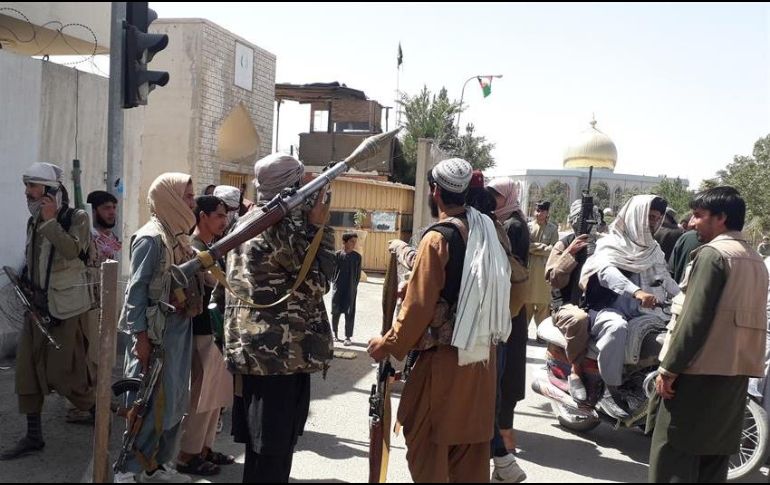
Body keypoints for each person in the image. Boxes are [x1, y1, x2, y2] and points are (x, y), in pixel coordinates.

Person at [368, 158, 512, 483]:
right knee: (470, 457)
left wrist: (388, 344)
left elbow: (418, 307)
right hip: (482, 365)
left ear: (435, 191)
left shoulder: (438, 239)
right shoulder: (491, 230)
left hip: (444, 367)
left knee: (428, 450)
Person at [225, 153, 335, 483]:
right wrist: (319, 226)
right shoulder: (281, 227)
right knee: (273, 450)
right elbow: (320, 281)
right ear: (291, 185)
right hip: (279, 353)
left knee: (262, 450)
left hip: (256, 349)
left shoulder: (248, 219)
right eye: (302, 181)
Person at [649, 187, 769, 483]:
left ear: (721, 218)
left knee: (673, 456)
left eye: (699, 216)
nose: (691, 222)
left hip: (696, 375)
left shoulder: (713, 256)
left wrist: (670, 368)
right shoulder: (755, 260)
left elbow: (695, 319)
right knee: (713, 461)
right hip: (736, 377)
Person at [0, 163, 96, 460]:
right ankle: (33, 436)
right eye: (27, 186)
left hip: (66, 308)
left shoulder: (76, 218)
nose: (28, 193)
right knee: (27, 371)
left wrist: (51, 221)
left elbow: (72, 251)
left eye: (34, 187)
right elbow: (35, 259)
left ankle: (97, 408)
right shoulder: (34, 221)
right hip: (36, 306)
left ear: (51, 192)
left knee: (63, 373)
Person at [117, 173, 199, 483]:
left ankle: (156, 467)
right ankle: (128, 468)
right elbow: (135, 294)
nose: (191, 203)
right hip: (154, 336)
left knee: (174, 403)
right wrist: (139, 340)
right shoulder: (151, 238)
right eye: (187, 197)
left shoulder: (177, 236)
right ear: (170, 199)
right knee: (146, 403)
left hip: (177, 336)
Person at [579, 195, 680, 391]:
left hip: (646, 313)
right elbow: (607, 273)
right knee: (616, 329)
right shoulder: (611, 243)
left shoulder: (653, 250)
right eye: (650, 217)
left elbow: (666, 279)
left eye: (658, 218)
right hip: (606, 309)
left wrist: (684, 298)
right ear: (636, 216)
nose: (654, 223)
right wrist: (637, 293)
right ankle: (610, 388)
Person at [175, 196, 234, 477]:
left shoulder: (209, 246)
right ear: (203, 217)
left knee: (215, 396)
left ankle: (204, 449)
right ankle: (188, 455)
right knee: (202, 397)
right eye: (219, 215)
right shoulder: (195, 248)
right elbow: (212, 283)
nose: (224, 221)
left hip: (214, 330)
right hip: (200, 329)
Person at [487, 177, 530, 457]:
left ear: (508, 196)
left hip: (510, 306)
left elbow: (506, 266)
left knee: (506, 370)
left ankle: (504, 443)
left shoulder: (512, 225)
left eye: (496, 195)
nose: (492, 200)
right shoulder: (511, 220)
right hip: (512, 305)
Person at [545, 199, 599, 402]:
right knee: (579, 319)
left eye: (594, 219)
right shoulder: (565, 243)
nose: (589, 224)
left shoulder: (603, 244)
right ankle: (576, 372)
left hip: (597, 303)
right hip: (566, 305)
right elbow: (554, 278)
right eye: (583, 219)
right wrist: (571, 253)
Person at [526, 200, 559, 333]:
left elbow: (554, 249)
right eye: (537, 210)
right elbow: (526, 246)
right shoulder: (528, 227)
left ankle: (542, 334)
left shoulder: (553, 229)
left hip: (544, 273)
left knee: (543, 305)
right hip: (529, 270)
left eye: (541, 211)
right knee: (527, 303)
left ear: (546, 213)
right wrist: (543, 248)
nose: (538, 213)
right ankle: (524, 333)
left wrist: (535, 248)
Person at [331, 232, 362, 346]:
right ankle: (335, 334)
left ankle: (348, 337)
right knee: (335, 311)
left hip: (351, 289)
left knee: (350, 312)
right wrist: (334, 283)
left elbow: (357, 276)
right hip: (338, 288)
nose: (354, 244)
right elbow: (332, 271)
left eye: (355, 242)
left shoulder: (357, 257)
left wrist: (353, 287)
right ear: (344, 242)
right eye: (351, 242)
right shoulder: (337, 255)